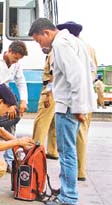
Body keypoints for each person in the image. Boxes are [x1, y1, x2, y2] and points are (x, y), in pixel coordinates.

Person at [29, 18, 96, 205]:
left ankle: (68, 197)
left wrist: (78, 107)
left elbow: (75, 76)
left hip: (67, 106)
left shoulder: (59, 44)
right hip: (72, 104)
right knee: (69, 152)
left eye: (38, 40)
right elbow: (89, 69)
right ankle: (68, 191)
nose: (38, 44)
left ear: (46, 33)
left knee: (66, 154)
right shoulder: (76, 42)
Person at [57, 21, 98, 181]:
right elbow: (92, 71)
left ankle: (74, 180)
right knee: (81, 136)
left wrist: (79, 97)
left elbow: (74, 75)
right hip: (86, 99)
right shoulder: (88, 47)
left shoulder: (67, 45)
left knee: (69, 145)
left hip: (75, 102)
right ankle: (80, 172)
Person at [0, 40, 28, 172]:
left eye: (19, 59)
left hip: (6, 98)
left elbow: (21, 82)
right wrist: (10, 105)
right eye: (15, 58)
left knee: (10, 128)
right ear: (9, 51)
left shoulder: (16, 65)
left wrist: (23, 101)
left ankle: (10, 162)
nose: (16, 61)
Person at [32, 48, 58, 160]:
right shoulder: (58, 51)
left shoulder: (53, 52)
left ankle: (36, 151)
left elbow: (54, 74)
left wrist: (48, 93)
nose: (41, 47)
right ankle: (53, 151)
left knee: (41, 122)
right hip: (57, 91)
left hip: (50, 90)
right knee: (53, 123)